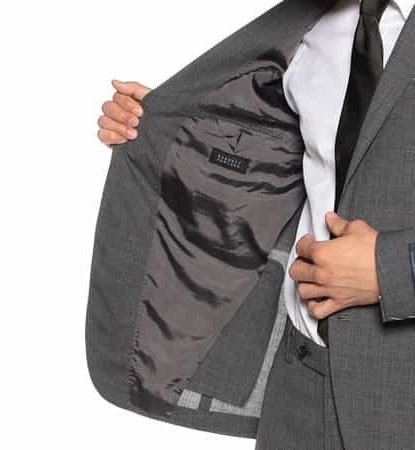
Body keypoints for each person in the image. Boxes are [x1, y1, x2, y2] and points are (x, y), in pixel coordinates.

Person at [93, 0, 415, 447]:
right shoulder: (308, 24)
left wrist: (391, 269)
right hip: (297, 386)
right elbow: (267, 156)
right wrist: (162, 133)